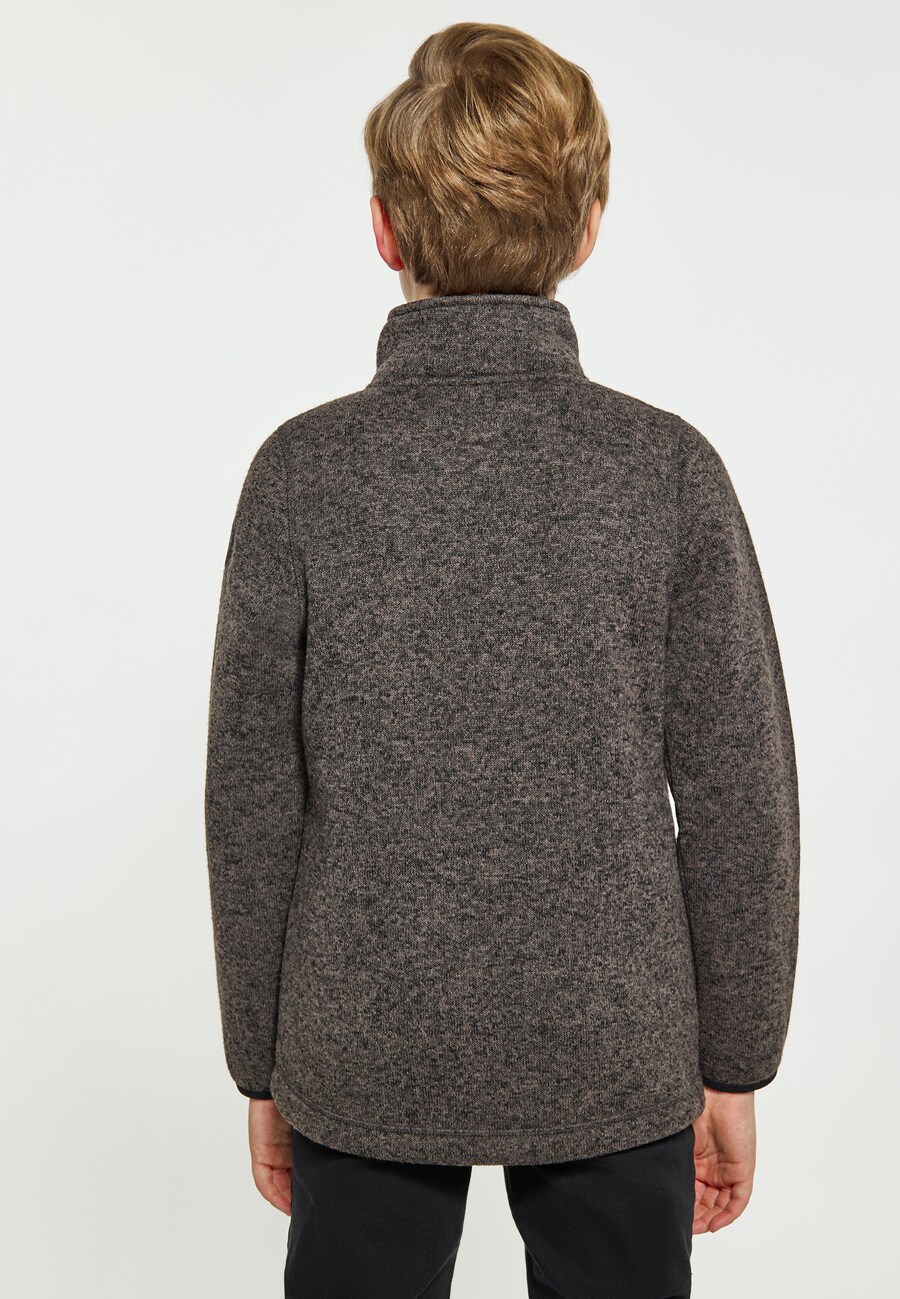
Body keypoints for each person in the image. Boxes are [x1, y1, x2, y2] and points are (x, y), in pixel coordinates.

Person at [204, 21, 800, 1299]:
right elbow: (740, 797)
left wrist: (264, 1060)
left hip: (364, 1040)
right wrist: (735, 1062)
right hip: (615, 1038)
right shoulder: (668, 471)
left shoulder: (301, 474)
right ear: (588, 231)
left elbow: (252, 804)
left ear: (383, 230)